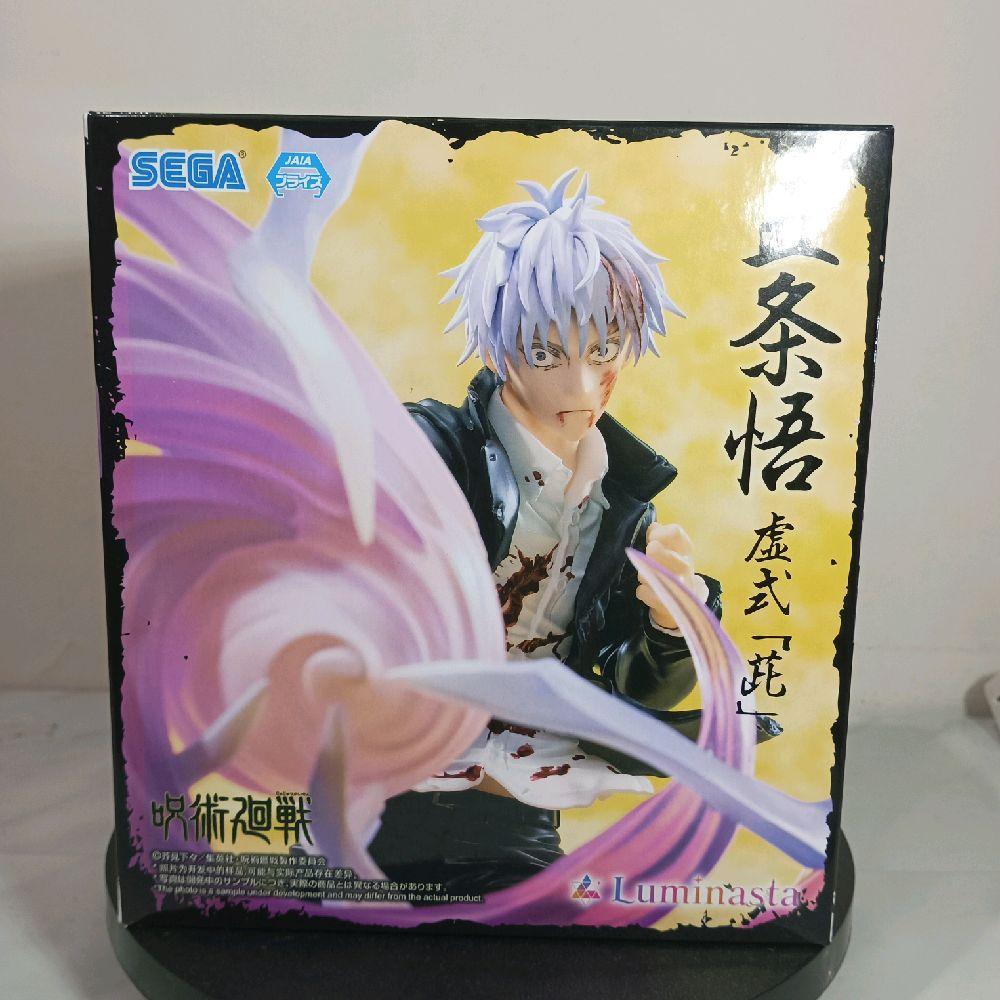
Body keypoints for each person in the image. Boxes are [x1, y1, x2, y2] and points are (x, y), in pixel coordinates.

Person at [368, 169, 735, 896]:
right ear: (500, 350)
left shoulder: (622, 509)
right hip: (381, 781)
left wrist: (670, 625)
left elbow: (633, 683)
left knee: (534, 935)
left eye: (603, 351)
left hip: (518, 804)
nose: (581, 386)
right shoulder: (432, 449)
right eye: (546, 354)